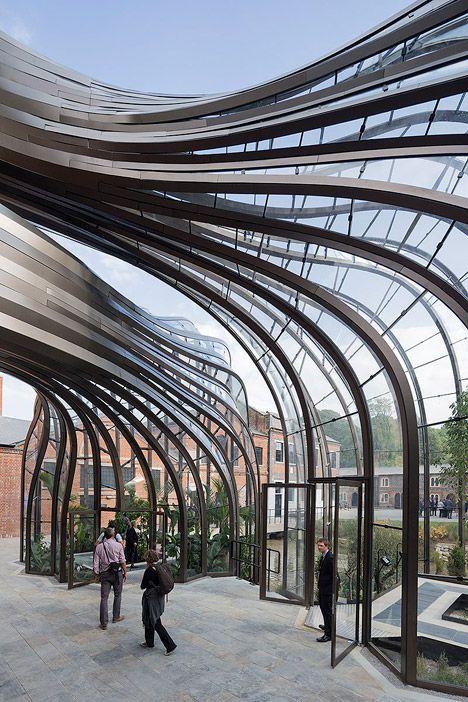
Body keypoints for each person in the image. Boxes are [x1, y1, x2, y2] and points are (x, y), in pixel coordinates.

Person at [140, 549, 177, 655]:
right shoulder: (160, 567)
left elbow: (143, 586)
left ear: (148, 559)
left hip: (151, 597)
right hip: (159, 596)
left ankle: (170, 645)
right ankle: (149, 642)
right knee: (151, 617)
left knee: (154, 620)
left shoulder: (149, 570)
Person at [93, 526, 127, 630]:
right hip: (117, 574)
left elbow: (96, 563)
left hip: (105, 574)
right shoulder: (119, 545)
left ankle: (104, 623)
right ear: (113, 535)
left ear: (104, 535)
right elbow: (122, 560)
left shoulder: (99, 547)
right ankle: (116, 617)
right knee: (118, 595)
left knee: (104, 598)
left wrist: (97, 575)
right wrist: (125, 572)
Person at [316, 537, 334, 643]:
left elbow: (333, 575)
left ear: (327, 546)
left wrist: (330, 590)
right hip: (323, 588)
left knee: (327, 611)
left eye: (321, 545)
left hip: (327, 590)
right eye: (318, 545)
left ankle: (328, 634)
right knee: (324, 609)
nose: (319, 547)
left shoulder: (330, 558)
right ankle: (327, 626)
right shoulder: (324, 556)